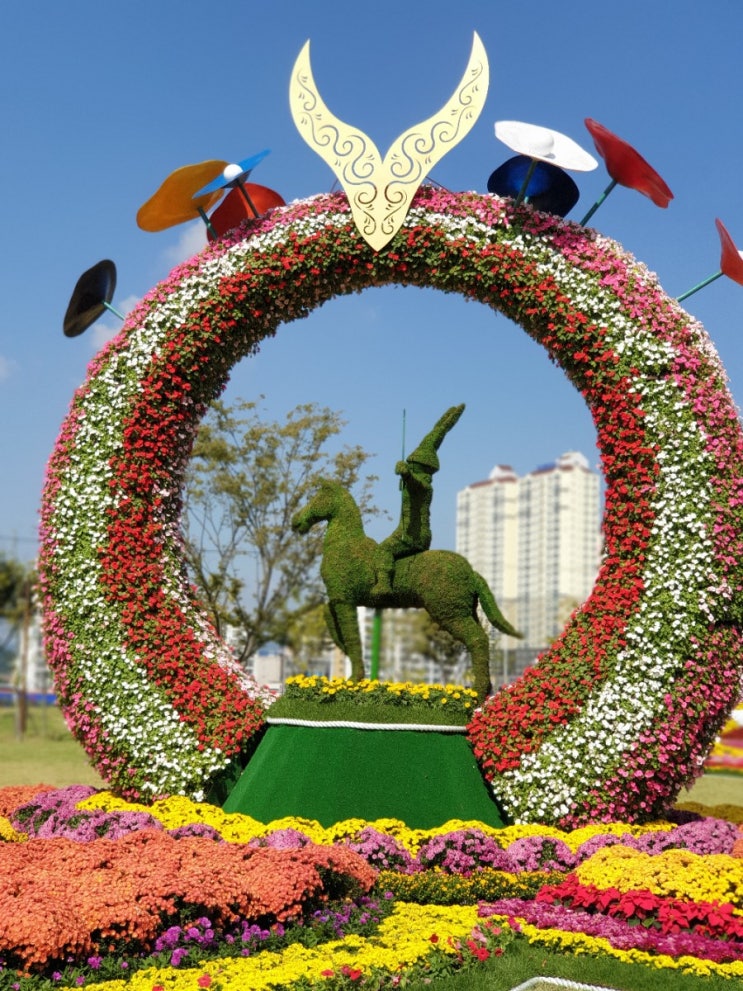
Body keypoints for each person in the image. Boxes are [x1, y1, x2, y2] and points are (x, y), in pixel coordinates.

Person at [371, 404, 464, 596]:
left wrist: (406, 475)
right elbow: (439, 430)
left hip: (411, 537)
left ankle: (384, 586)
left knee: (382, 551)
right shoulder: (421, 484)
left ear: (418, 467)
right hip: (418, 535)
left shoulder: (423, 485)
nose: (409, 467)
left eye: (412, 466)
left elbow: (416, 485)